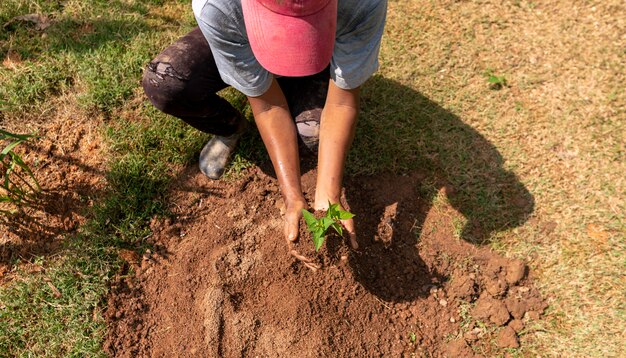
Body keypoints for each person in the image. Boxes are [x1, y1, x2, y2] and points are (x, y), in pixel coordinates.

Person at [142, 0, 387, 256]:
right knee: (165, 82)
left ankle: (300, 91)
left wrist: (329, 195)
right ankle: (230, 128)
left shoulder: (362, 5)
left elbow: (341, 104)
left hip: (324, 47)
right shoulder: (218, 7)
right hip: (242, 32)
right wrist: (291, 194)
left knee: (311, 136)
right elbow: (268, 106)